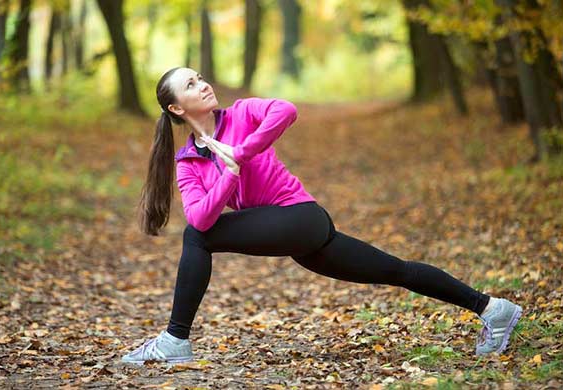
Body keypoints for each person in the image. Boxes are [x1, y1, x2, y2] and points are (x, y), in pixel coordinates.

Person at [121, 67, 522, 365]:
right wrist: (229, 172)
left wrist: (242, 151)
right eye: (190, 85)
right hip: (302, 239)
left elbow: (286, 110)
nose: (203, 84)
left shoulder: (243, 113)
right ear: (176, 107)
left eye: (200, 77)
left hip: (300, 218)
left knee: (195, 238)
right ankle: (492, 309)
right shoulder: (188, 160)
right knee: (394, 270)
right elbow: (201, 216)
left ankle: (175, 340)